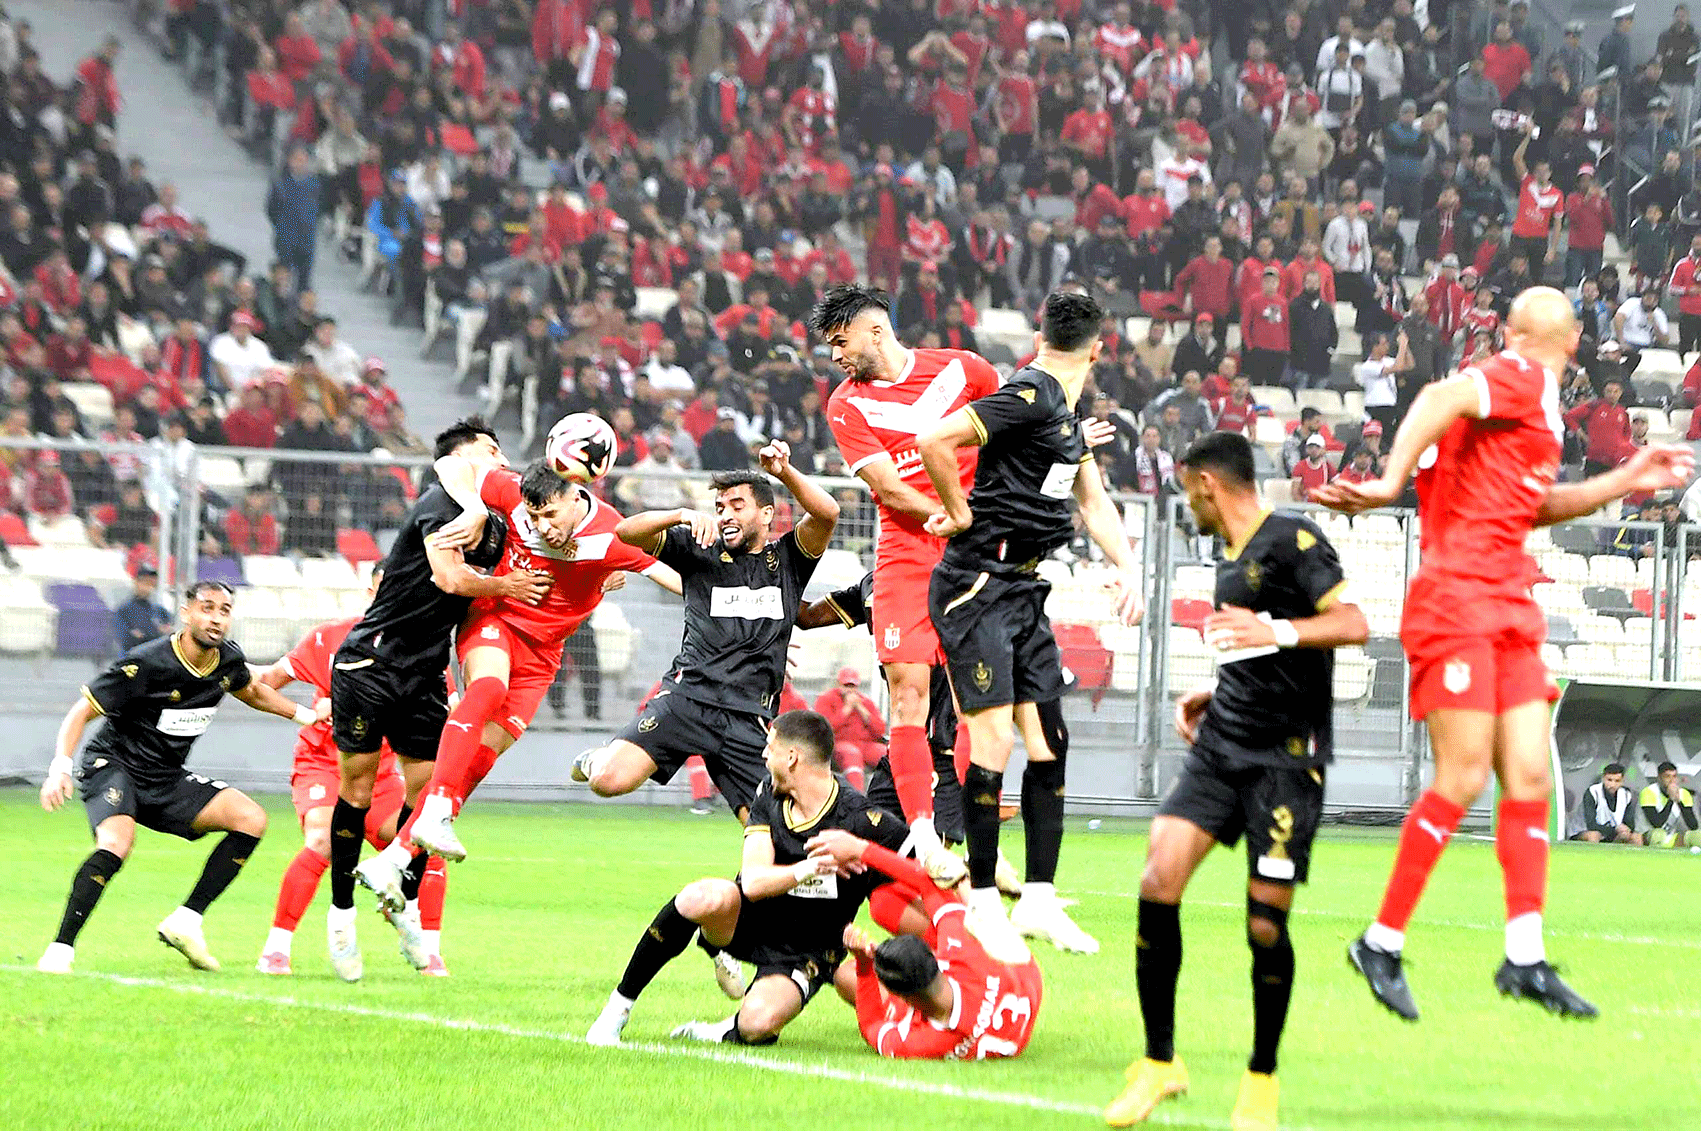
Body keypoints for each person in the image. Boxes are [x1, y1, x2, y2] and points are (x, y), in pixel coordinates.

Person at [1315, 288, 1694, 1022]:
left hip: (1508, 601)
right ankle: (1381, 940)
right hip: (1457, 596)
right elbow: (1437, 394)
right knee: (1460, 774)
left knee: (1527, 774)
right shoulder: (1514, 372)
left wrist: (1621, 480)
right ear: (1560, 332)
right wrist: (1390, 480)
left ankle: (1523, 955)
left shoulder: (1541, 403)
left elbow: (1531, 505)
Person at [1106, 431, 1367, 1130]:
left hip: (1285, 760)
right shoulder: (1228, 561)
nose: (1184, 500)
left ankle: (1260, 1081)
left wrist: (1275, 631)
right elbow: (1252, 650)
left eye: (1184, 489)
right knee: (1158, 875)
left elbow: (1352, 622)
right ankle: (1160, 1061)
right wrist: (1212, 694)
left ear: (1202, 482)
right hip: (1222, 745)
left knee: (1262, 921)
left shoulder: (1293, 540)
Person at [917, 290, 1145, 957]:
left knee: (1049, 741)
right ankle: (983, 901)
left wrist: (1128, 568)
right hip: (976, 585)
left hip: (1022, 590)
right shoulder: (1032, 394)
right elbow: (935, 437)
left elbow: (1093, 501)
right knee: (990, 742)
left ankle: (1038, 899)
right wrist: (958, 511)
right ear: (1098, 347)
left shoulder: (1067, 417)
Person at [359, 461, 681, 885]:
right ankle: (436, 808)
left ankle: (396, 856)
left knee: (479, 760)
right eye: (533, 517)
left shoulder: (611, 534)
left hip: (543, 655)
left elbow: (669, 574)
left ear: (575, 498)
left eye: (550, 516)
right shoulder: (511, 490)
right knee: (488, 689)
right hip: (497, 620)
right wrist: (475, 507)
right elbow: (452, 464)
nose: (542, 527)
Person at [36, 581, 329, 975]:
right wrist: (60, 767)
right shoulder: (145, 663)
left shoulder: (226, 661)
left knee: (251, 819)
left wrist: (308, 717)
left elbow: (252, 691)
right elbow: (81, 712)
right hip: (114, 765)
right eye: (207, 608)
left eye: (225, 610)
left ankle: (187, 921)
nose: (216, 618)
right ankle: (60, 950)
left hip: (166, 778)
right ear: (187, 613)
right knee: (117, 843)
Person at [328, 419, 529, 981]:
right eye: (491, 449)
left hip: (424, 674)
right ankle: (341, 913)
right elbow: (448, 578)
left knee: (429, 796)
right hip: (371, 662)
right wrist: (503, 589)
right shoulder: (439, 503)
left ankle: (405, 902)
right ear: (464, 458)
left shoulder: (492, 521)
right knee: (359, 789)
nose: (501, 457)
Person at [584, 710, 909, 1046]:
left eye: (771, 747)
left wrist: (870, 857)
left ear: (792, 757)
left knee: (758, 1024)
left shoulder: (861, 820)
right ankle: (616, 1011)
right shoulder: (769, 793)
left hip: (808, 946)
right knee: (702, 897)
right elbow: (753, 884)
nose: (764, 755)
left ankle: (724, 1029)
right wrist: (811, 867)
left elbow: (916, 870)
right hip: (753, 920)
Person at [812, 285, 999, 860]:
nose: (836, 356)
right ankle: (920, 831)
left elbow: (1017, 430)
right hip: (907, 553)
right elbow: (889, 489)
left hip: (972, 551)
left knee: (975, 701)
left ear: (876, 330)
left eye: (841, 342)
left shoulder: (965, 370)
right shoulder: (845, 404)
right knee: (907, 694)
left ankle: (969, 829)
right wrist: (953, 515)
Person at [571, 453, 839, 822]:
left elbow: (827, 513)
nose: (725, 514)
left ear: (765, 514)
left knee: (770, 825)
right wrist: (679, 515)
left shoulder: (790, 560)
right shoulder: (699, 549)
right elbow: (626, 532)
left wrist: (784, 472)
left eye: (737, 505)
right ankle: (596, 758)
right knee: (606, 780)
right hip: (689, 698)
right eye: (719, 506)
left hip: (750, 715)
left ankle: (755, 879)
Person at [251, 567, 450, 978]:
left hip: (380, 777)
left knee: (426, 845)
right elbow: (266, 683)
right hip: (324, 765)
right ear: (371, 589)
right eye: (386, 585)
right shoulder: (329, 638)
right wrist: (307, 714)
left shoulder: (423, 649)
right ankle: (277, 948)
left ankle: (427, 949)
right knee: (322, 839)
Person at [807, 827, 1042, 1060]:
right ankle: (976, 881)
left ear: (906, 1000)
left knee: (846, 976)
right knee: (890, 903)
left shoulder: (917, 1042)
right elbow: (927, 880)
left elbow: (872, 1026)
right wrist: (859, 848)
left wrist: (864, 966)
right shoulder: (966, 949)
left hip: (1009, 983)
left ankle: (974, 881)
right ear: (937, 960)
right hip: (1017, 973)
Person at [813, 667, 885, 791]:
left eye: (853, 686)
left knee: (887, 754)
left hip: (865, 744)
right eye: (846, 685)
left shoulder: (865, 702)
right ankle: (857, 799)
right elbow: (824, 728)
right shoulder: (826, 699)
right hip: (838, 744)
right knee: (852, 755)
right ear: (838, 684)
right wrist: (847, 709)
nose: (850, 690)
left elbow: (879, 731)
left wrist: (862, 710)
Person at [1573, 763, 1642, 844]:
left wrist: (1625, 830)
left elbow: (1630, 823)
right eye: (1609, 780)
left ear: (1622, 781)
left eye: (1617, 781)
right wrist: (1616, 829)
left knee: (1636, 837)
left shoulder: (1627, 795)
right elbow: (1591, 825)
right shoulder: (1592, 792)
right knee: (1594, 835)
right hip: (1584, 831)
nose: (1612, 785)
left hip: (1612, 833)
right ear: (1603, 778)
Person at [113, 563, 171, 654]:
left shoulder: (160, 611)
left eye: (151, 583)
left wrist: (146, 633)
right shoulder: (124, 610)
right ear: (136, 582)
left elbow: (167, 636)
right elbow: (125, 640)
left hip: (156, 660)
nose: (147, 587)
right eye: (144, 582)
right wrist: (154, 632)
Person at [1640, 761, 1700, 847]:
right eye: (1667, 777)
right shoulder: (1648, 792)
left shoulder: (1684, 794)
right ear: (1659, 778)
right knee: (1658, 834)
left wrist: (1679, 801)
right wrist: (1671, 800)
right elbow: (1657, 823)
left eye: (1674, 776)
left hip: (1671, 835)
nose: (1672, 781)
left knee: (1697, 835)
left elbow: (1693, 825)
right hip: (1650, 834)